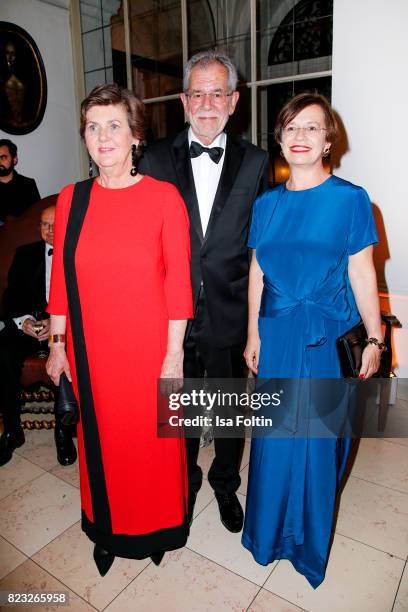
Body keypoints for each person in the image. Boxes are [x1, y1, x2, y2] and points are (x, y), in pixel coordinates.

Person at [46, 83, 193, 576]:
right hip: (92, 352)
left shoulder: (164, 198)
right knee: (101, 443)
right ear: (84, 136)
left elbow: (178, 285)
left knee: (151, 445)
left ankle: (154, 530)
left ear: (135, 136)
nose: (103, 136)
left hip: (150, 349)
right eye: (93, 126)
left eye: (114, 126)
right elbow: (62, 281)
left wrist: (173, 357)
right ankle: (106, 529)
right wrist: (57, 343)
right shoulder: (72, 199)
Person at [241, 92, 384, 588]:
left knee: (320, 441)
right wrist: (252, 332)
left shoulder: (351, 200)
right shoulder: (266, 204)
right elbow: (257, 271)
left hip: (325, 334)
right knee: (275, 437)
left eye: (311, 127)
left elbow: (363, 274)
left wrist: (375, 337)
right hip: (277, 332)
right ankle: (267, 533)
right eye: (291, 127)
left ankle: (305, 544)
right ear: (279, 139)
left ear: (328, 140)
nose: (300, 136)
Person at [139, 50, 269, 533]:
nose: (208, 103)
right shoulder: (153, 157)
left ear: (234, 102)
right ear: (183, 100)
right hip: (169, 312)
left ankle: (224, 483)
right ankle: (184, 478)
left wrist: (258, 322)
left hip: (230, 308)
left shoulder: (256, 162)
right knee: (179, 406)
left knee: (230, 407)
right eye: (198, 93)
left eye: (218, 93)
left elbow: (261, 245)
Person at [0, 205, 76, 467]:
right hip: (30, 327)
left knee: (73, 353)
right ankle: (12, 430)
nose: (51, 230)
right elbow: (10, 299)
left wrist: (56, 324)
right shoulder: (25, 254)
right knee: (3, 351)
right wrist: (25, 322)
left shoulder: (79, 253)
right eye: (45, 224)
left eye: (56, 224)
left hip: (66, 328)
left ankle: (63, 432)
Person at [0, 139, 40, 223]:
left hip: (23, 233)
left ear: (14, 160)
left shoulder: (28, 184)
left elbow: (37, 216)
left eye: (3, 158)